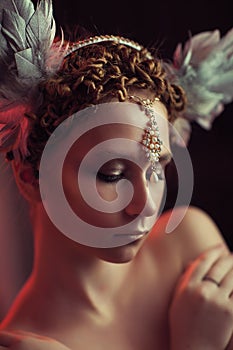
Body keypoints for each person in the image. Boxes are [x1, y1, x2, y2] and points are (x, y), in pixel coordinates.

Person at [0, 1, 233, 349]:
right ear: (29, 178)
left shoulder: (191, 247)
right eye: (112, 174)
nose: (146, 206)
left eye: (156, 170)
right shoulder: (29, 342)